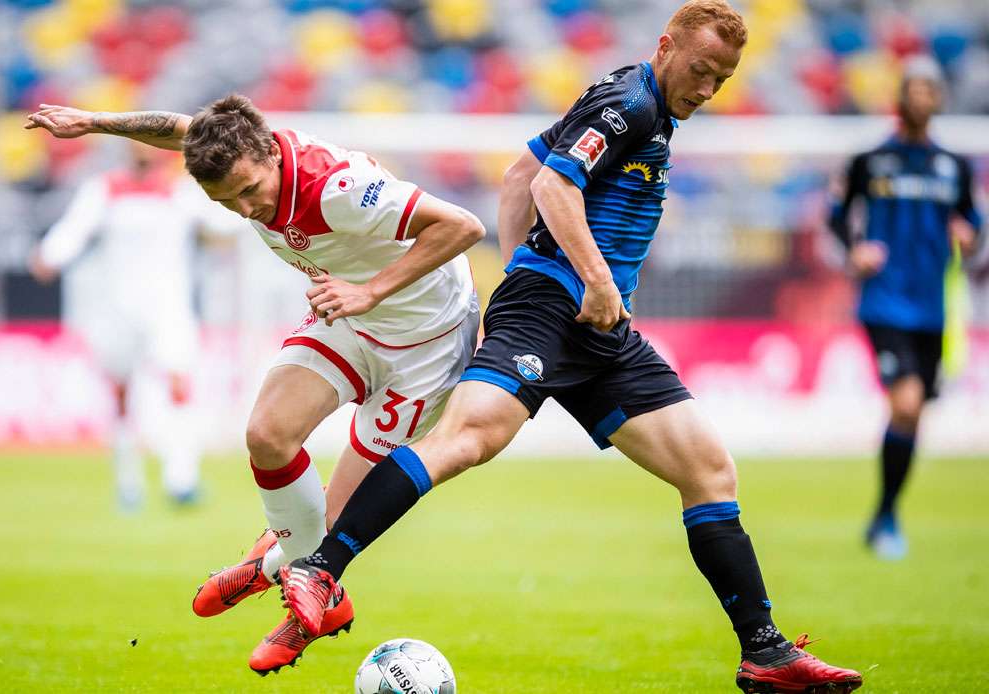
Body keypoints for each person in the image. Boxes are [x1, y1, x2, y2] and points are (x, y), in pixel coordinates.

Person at [277, 2, 864, 691]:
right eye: (700, 71)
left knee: (709, 472)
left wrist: (526, 257)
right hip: (555, 309)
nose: (706, 90)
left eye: (722, 79)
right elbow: (557, 184)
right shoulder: (631, 104)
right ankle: (319, 569)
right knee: (467, 439)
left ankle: (764, 652)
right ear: (666, 46)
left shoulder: (632, 104)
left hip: (598, 329)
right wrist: (568, 275)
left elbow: (521, 174)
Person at [25, 95, 484, 673]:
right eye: (227, 202)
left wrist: (369, 290)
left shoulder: (336, 188)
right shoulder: (236, 145)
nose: (247, 208)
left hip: (425, 343)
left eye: (250, 190)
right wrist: (93, 122)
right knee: (267, 435)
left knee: (337, 522)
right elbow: (177, 128)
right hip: (350, 319)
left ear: (270, 153)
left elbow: (463, 226)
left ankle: (280, 576)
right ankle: (320, 595)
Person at [31, 141, 243, 510]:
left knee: (178, 380)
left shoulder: (180, 191)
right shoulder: (104, 189)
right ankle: (128, 481)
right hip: (115, 306)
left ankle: (181, 478)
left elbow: (223, 222)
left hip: (168, 305)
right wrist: (51, 254)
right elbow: (73, 230)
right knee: (122, 394)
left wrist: (251, 210)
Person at [828, 57, 982, 560]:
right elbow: (835, 214)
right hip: (884, 300)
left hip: (934, 307)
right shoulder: (871, 160)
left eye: (928, 90)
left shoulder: (954, 166)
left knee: (914, 416)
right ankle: (887, 517)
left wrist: (969, 235)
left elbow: (973, 225)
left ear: (938, 99)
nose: (920, 98)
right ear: (900, 97)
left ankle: (884, 514)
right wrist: (855, 251)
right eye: (912, 89)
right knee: (907, 403)